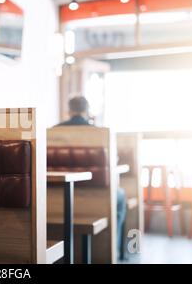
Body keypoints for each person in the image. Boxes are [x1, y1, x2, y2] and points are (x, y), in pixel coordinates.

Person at [54, 95, 127, 260]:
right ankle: (113, 251)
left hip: (58, 200)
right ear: (87, 111)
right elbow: (112, 162)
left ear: (69, 111)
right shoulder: (99, 132)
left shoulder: (52, 131)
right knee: (121, 196)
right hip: (97, 196)